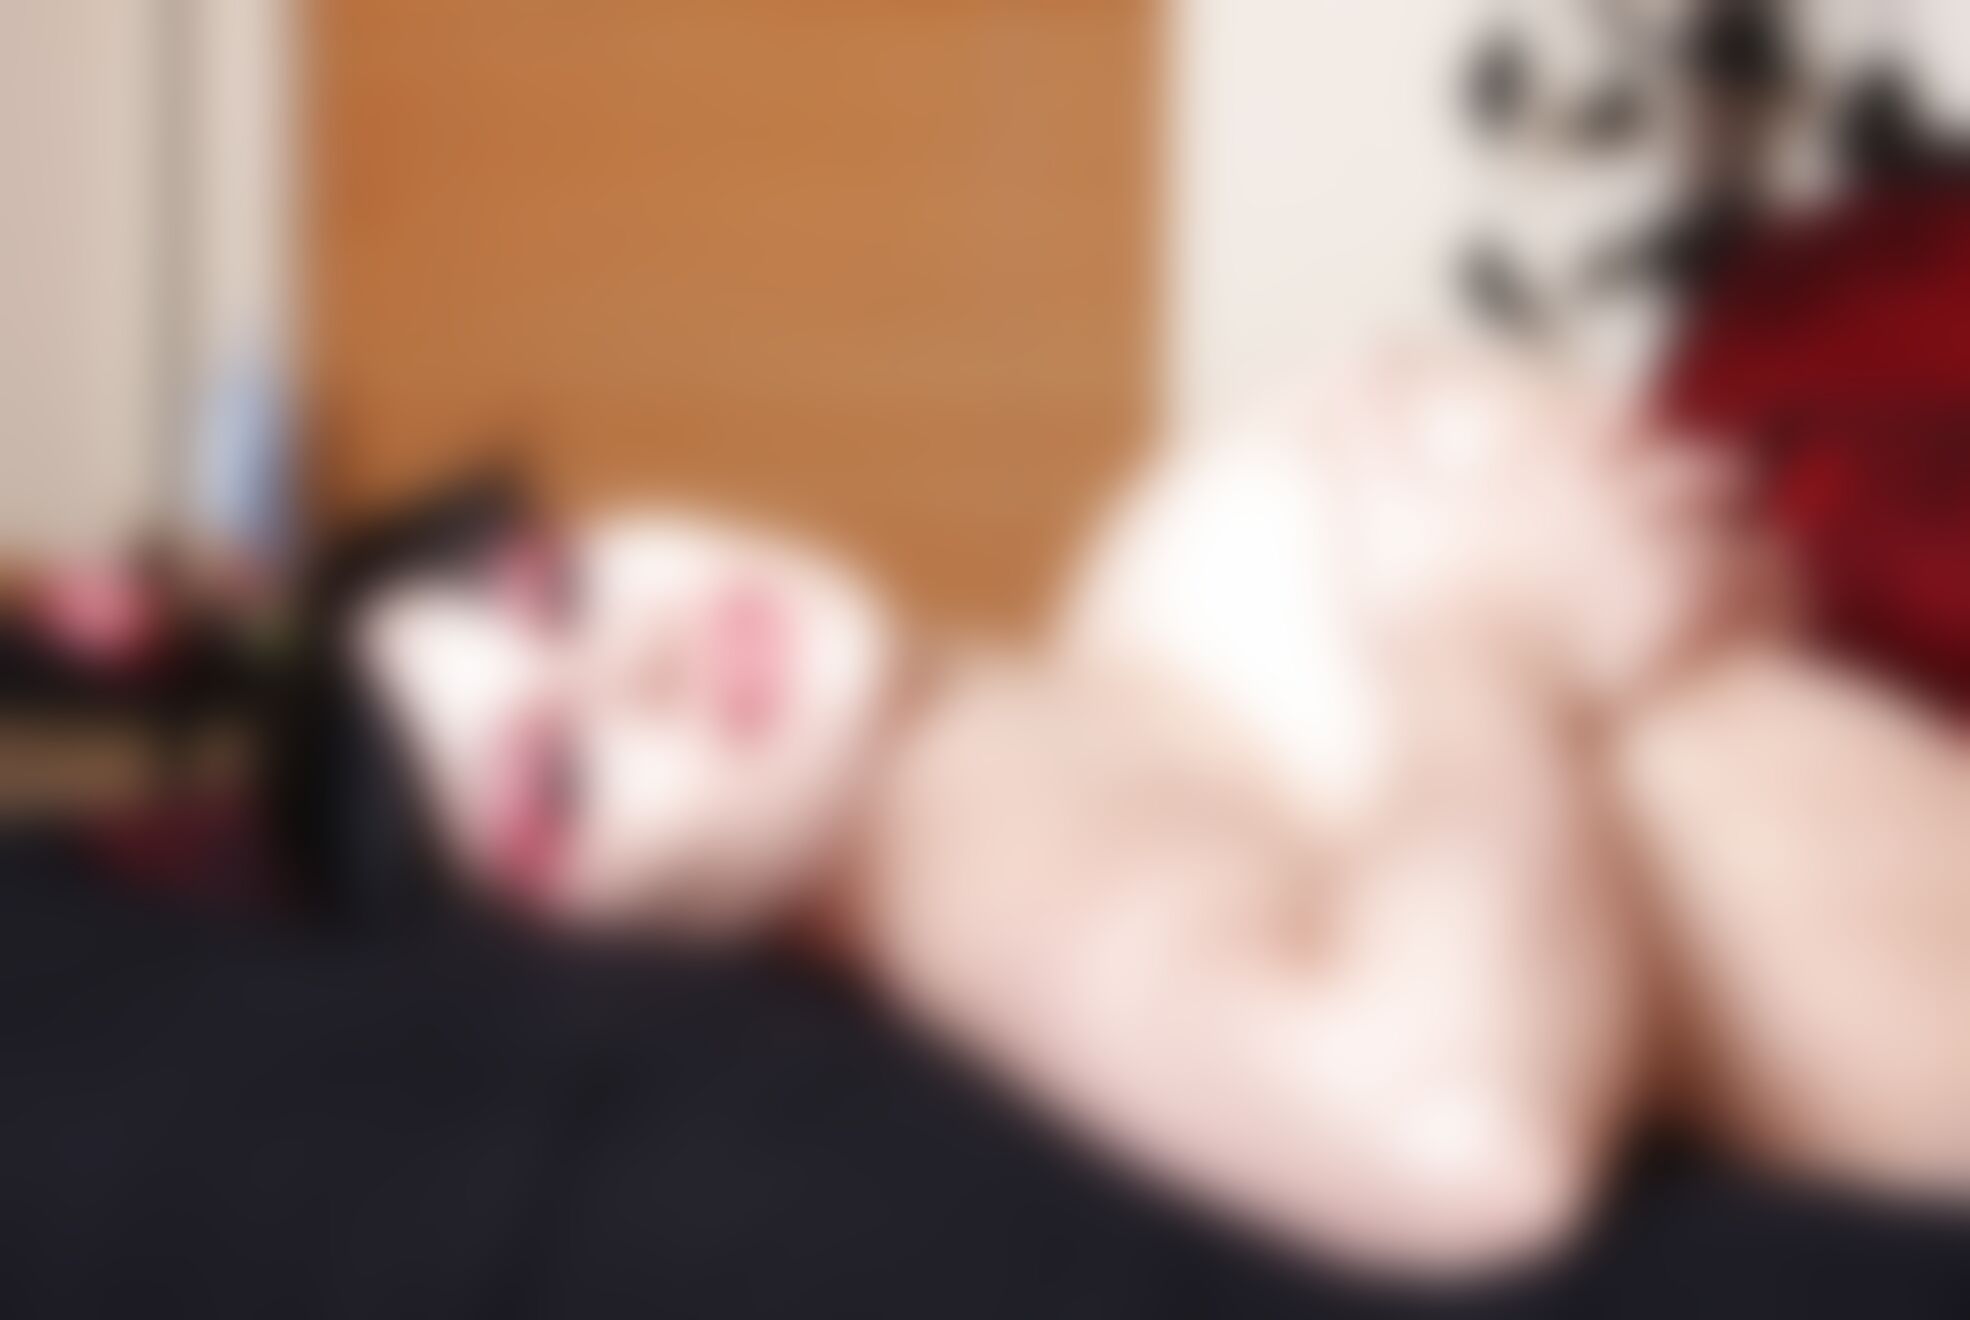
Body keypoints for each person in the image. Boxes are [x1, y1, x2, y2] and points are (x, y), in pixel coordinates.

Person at [271, 346, 1970, 1279]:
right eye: (555, 779)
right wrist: (1482, 643)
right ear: (568, 954)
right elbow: (1453, 1138)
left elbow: (1728, 599)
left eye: (554, 589)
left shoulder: (1109, 636)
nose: (631, 658)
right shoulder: (978, 869)